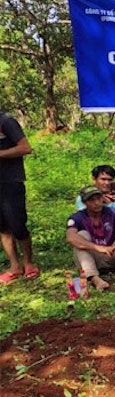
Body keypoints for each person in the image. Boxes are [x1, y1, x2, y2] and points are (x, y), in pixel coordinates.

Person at [66, 185, 115, 289]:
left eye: (99, 198)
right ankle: (95, 278)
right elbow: (70, 237)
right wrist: (98, 248)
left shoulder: (113, 212)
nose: (96, 203)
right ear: (84, 202)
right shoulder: (77, 217)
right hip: (92, 257)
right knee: (81, 236)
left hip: (113, 253)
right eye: (91, 200)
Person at [0, 112, 39, 284]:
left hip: (10, 182)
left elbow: (25, 148)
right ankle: (14, 266)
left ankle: (28, 263)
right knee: (2, 227)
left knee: (17, 224)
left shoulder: (6, 122)